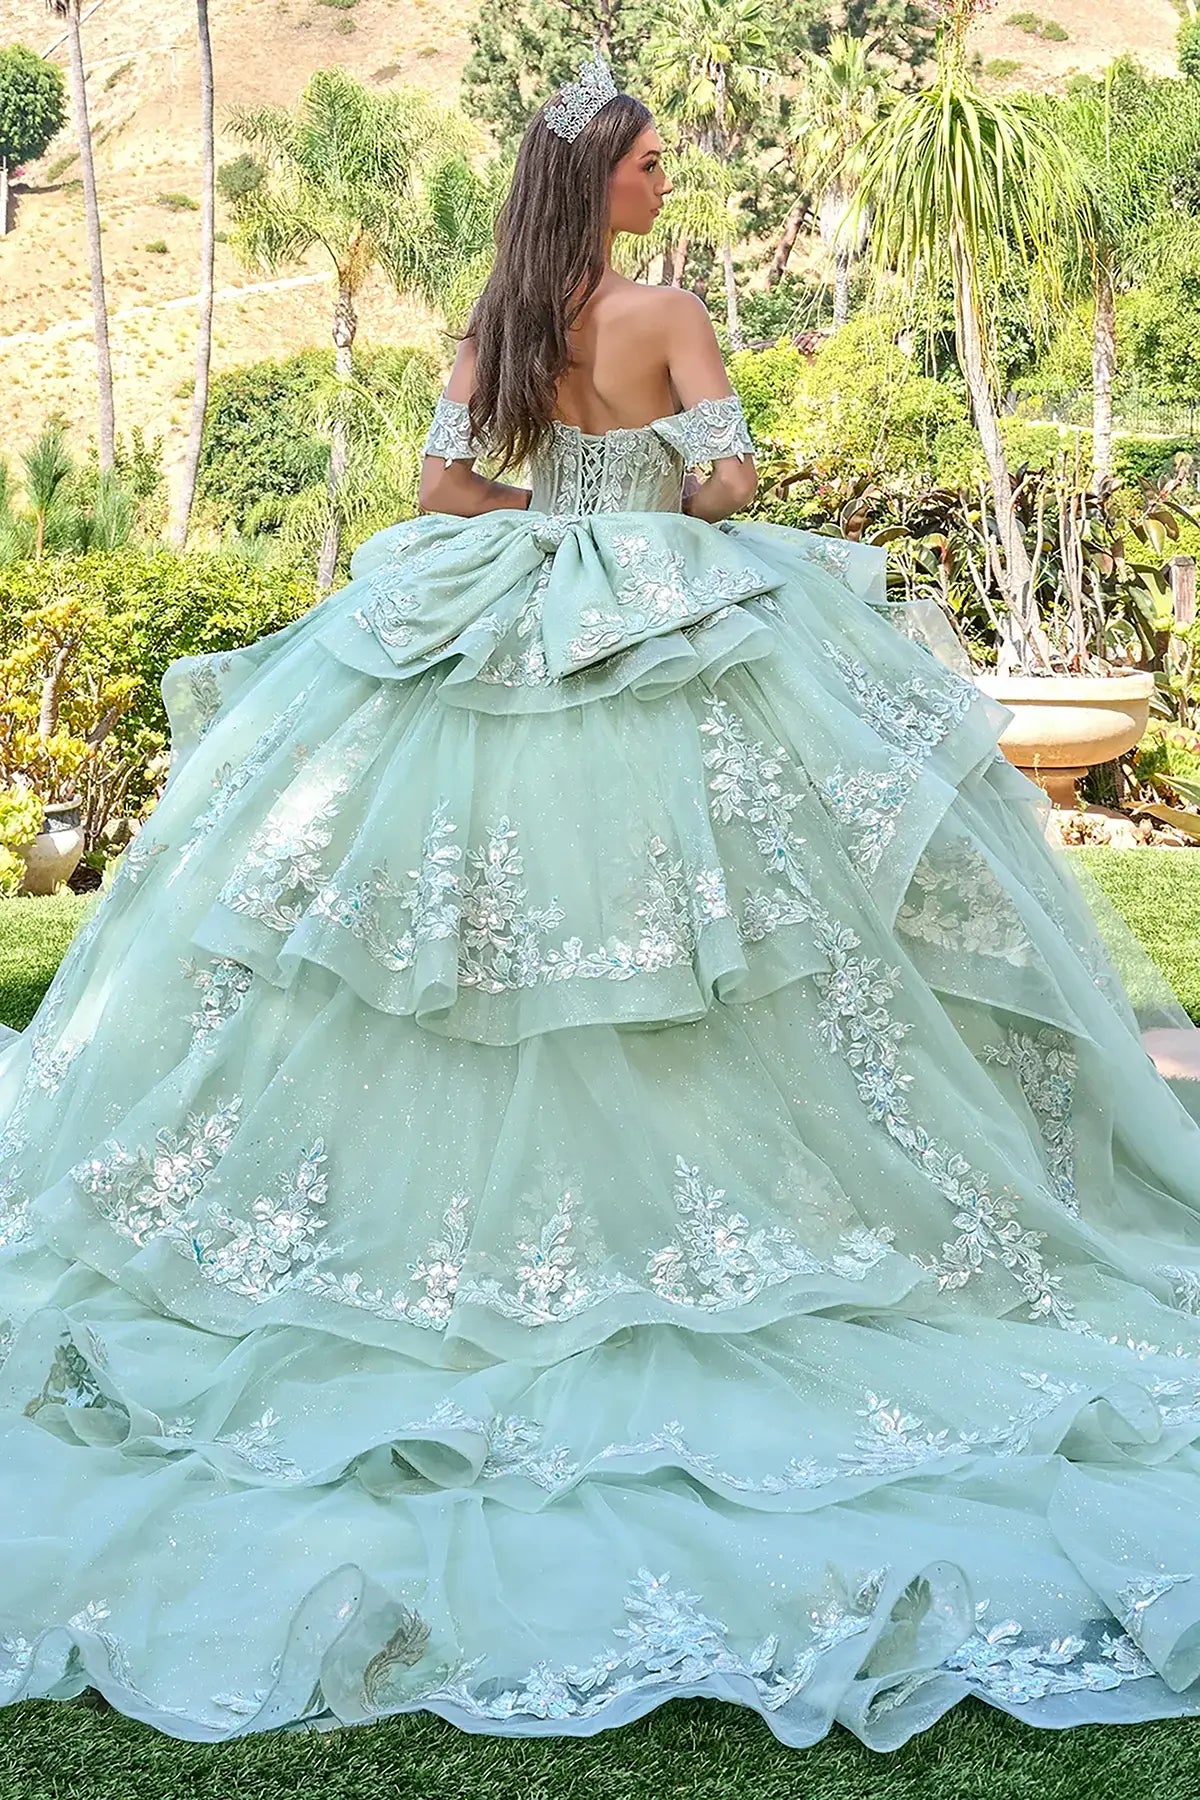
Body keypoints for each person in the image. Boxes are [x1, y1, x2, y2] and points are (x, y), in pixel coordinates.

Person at [4, 48, 1200, 1758]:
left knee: (458, 935)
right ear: (604, 181)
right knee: (730, 923)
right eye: (647, 159)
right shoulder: (662, 310)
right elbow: (733, 487)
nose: (663, 177)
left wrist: (546, 521)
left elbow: (437, 493)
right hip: (662, 616)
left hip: (502, 601)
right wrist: (642, 513)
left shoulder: (493, 324)